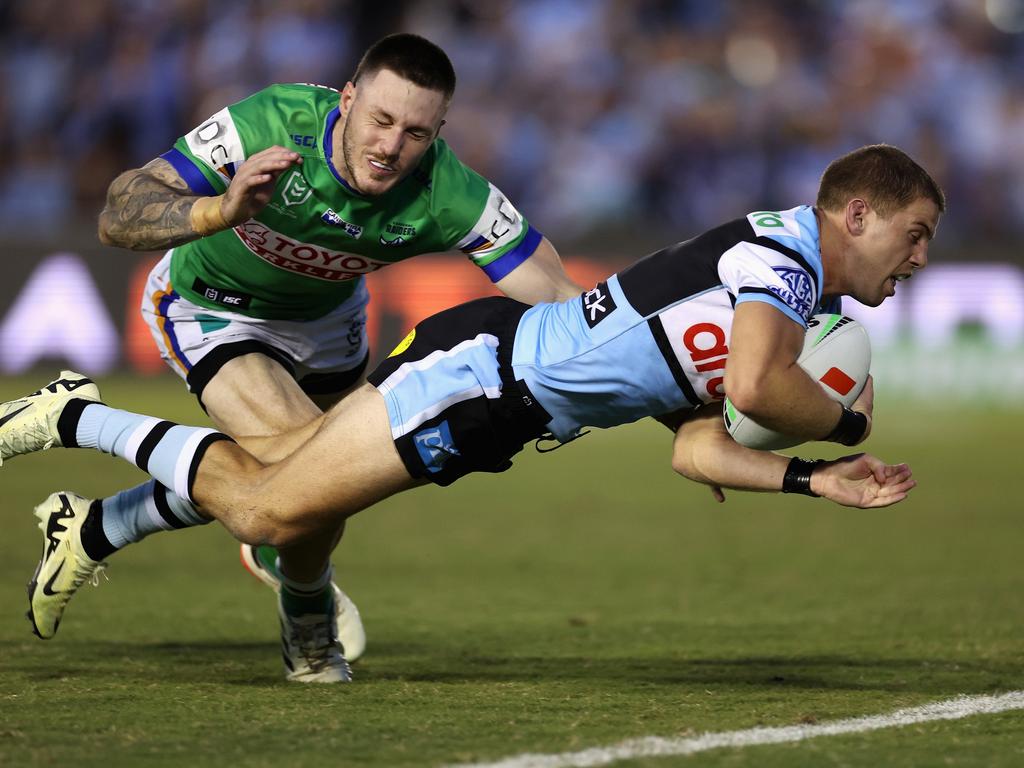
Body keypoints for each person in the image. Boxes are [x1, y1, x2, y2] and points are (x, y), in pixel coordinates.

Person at [2, 144, 943, 684]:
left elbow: (700, 449)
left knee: (280, 482)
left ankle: (95, 522)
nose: (920, 259)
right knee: (268, 508)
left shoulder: (787, 289)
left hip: (496, 397)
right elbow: (756, 392)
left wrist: (816, 480)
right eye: (915, 235)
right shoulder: (783, 261)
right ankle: (75, 418)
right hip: (479, 376)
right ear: (856, 214)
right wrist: (845, 421)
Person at [87, 33, 581, 670]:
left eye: (415, 132)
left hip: (329, 326)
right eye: (379, 119)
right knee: (303, 485)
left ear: (438, 132)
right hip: (211, 307)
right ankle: (308, 617)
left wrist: (678, 395)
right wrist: (218, 210)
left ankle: (98, 524)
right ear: (347, 99)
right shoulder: (271, 123)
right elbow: (119, 212)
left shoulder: (449, 192)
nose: (390, 147)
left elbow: (573, 307)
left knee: (324, 485)